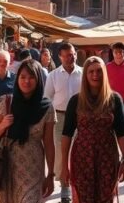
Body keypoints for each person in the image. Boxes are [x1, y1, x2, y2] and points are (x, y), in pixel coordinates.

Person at [0, 60, 56, 203]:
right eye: (22, 77)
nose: (27, 81)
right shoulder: (6, 103)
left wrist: (51, 176)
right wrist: (3, 125)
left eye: (31, 77)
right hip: (7, 166)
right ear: (17, 79)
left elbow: (49, 143)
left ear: (38, 79)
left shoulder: (47, 108)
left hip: (33, 168)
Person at [61, 57, 124, 203]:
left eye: (99, 71)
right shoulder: (75, 101)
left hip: (107, 158)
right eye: (91, 71)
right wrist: (64, 166)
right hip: (82, 159)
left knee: (106, 197)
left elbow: (122, 133)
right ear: (85, 75)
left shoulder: (114, 99)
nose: (95, 75)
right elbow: (67, 134)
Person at [44, 42, 84, 203]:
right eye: (67, 55)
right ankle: (65, 187)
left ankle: (78, 185)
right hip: (59, 117)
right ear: (60, 57)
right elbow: (47, 99)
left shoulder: (83, 73)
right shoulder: (53, 76)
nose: (71, 57)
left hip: (80, 117)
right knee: (61, 152)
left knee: (80, 149)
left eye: (73, 54)